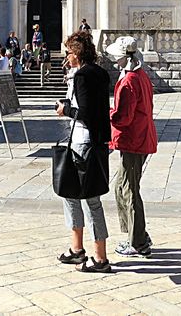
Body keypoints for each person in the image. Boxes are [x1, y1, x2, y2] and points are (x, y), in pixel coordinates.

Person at [55, 30, 112, 273]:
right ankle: (78, 249)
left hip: (83, 141)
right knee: (84, 197)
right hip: (97, 141)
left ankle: (99, 258)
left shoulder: (81, 76)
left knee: (83, 197)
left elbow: (86, 113)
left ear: (77, 53)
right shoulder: (100, 73)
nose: (66, 57)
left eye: (68, 52)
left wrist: (64, 111)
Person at [106, 36, 157, 258]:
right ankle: (137, 234)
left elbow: (122, 117)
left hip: (134, 140)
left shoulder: (129, 81)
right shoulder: (140, 76)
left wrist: (103, 114)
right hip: (137, 138)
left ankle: (138, 242)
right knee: (122, 187)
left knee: (128, 190)